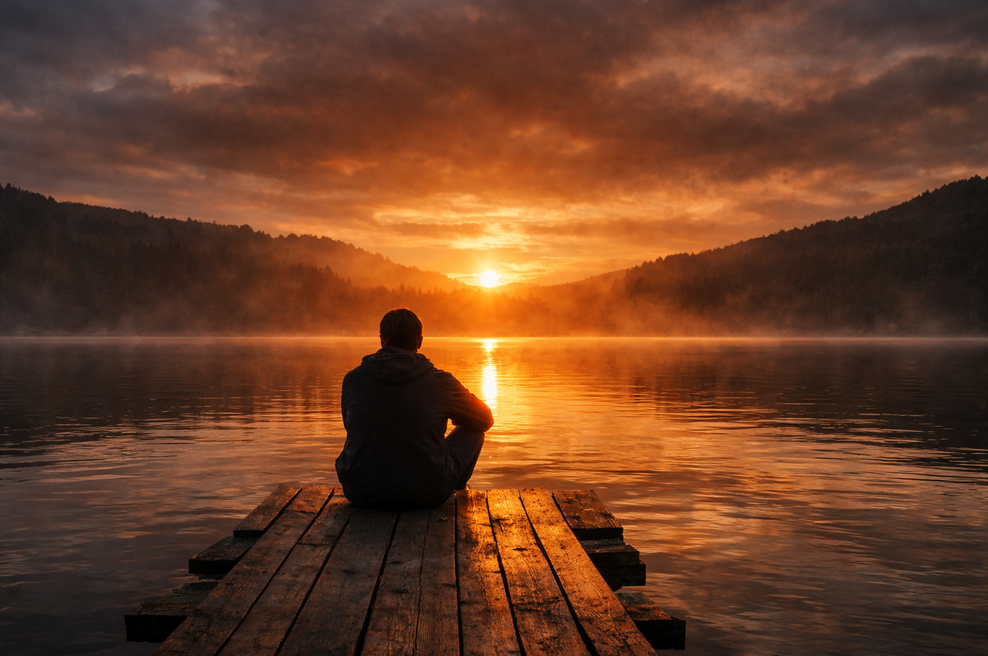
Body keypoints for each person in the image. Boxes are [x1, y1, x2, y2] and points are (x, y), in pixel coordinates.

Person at [335, 307, 493, 509]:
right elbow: (485, 419)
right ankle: (456, 490)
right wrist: (449, 413)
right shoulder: (441, 382)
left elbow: (351, 428)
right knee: (474, 430)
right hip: (427, 494)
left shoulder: (353, 380)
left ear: (382, 340)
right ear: (419, 341)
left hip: (360, 492)